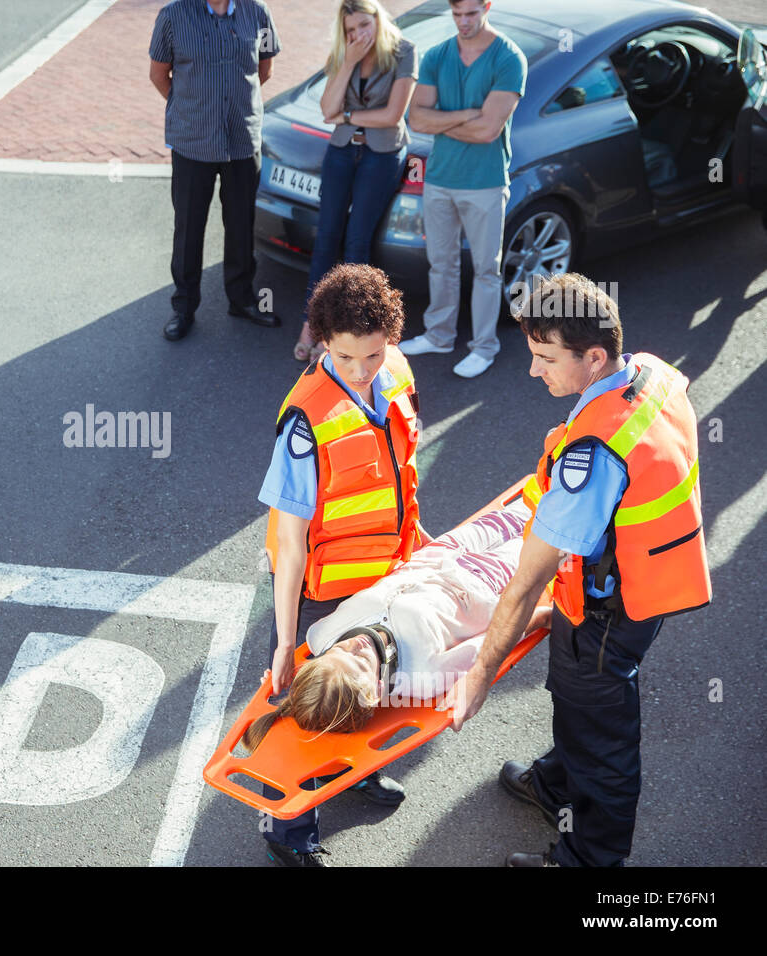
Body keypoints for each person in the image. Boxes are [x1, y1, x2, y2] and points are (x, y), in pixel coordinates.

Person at [445, 273, 711, 867]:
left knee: (602, 736)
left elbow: (526, 583)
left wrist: (481, 673)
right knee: (574, 690)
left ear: (594, 357)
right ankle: (559, 785)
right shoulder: (650, 373)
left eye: (545, 358)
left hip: (610, 613)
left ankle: (590, 861)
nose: (534, 371)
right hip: (646, 581)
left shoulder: (593, 457)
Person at [255, 262, 424, 866]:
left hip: (381, 578)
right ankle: (288, 829)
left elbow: (398, 477)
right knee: (308, 714)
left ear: (391, 341)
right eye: (347, 357)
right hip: (320, 594)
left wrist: (416, 541)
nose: (362, 371)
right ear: (324, 341)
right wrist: (284, 640)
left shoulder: (396, 373)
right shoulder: (306, 421)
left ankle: (355, 774)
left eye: (373, 355)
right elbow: (292, 542)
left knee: (370, 690)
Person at [241, 499, 538, 751]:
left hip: (444, 549)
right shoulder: (425, 675)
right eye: (359, 662)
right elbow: (495, 640)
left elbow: (322, 669)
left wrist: (289, 676)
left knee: (526, 504)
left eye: (340, 650)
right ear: (376, 690)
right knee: (548, 530)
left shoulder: (321, 635)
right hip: (489, 579)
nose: (355, 645)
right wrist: (542, 616)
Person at [400, 0, 526, 378]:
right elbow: (416, 118)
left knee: (486, 268)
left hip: (485, 183)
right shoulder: (438, 54)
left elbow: (489, 130)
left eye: (471, 13)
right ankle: (439, 335)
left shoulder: (509, 58)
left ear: (487, 6)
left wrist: (440, 122)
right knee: (441, 263)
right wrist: (466, 115)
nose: (464, 22)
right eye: (457, 15)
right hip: (440, 178)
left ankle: (484, 347)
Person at [149, 0, 282, 342]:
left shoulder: (257, 12)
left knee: (241, 224)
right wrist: (192, 109)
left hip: (241, 138)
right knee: (189, 226)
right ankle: (183, 307)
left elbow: (264, 69)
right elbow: (158, 74)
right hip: (193, 142)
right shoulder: (173, 15)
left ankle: (241, 300)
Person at [294, 0, 417, 363]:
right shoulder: (343, 54)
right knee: (326, 237)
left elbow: (393, 115)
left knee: (357, 243)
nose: (358, 35)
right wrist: (347, 62)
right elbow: (325, 109)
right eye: (350, 30)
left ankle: (346, 332)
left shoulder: (404, 52)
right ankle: (311, 326)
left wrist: (347, 114)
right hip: (343, 152)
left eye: (364, 25)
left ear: (378, 20)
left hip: (381, 156)